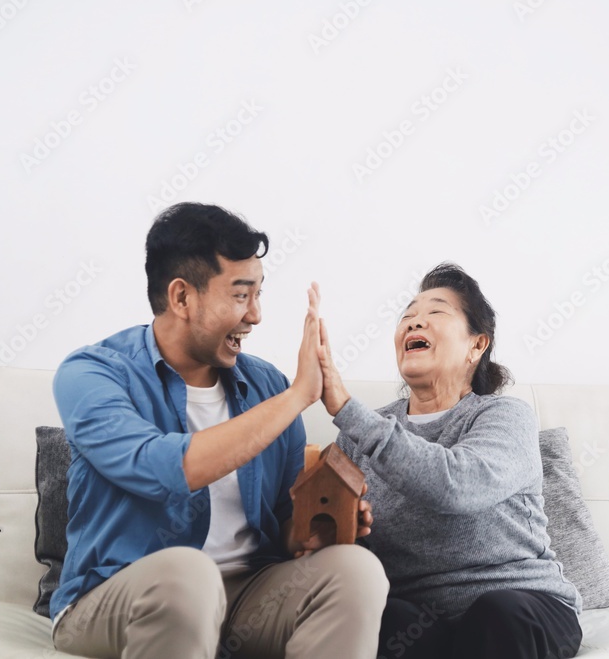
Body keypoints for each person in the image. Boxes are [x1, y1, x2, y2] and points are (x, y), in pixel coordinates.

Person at [50, 202, 388, 659]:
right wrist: (296, 398)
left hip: (248, 595)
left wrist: (309, 533)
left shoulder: (266, 384)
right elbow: (163, 468)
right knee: (189, 576)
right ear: (182, 298)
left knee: (356, 569)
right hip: (118, 595)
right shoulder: (93, 375)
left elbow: (282, 518)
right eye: (240, 295)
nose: (256, 316)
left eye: (258, 294)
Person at [317, 262, 584, 659]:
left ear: (477, 345)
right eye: (407, 316)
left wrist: (345, 408)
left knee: (497, 615)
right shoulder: (362, 433)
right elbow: (339, 540)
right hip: (422, 620)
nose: (413, 323)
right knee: (380, 619)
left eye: (435, 313)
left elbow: (457, 486)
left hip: (523, 604)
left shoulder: (503, 416)